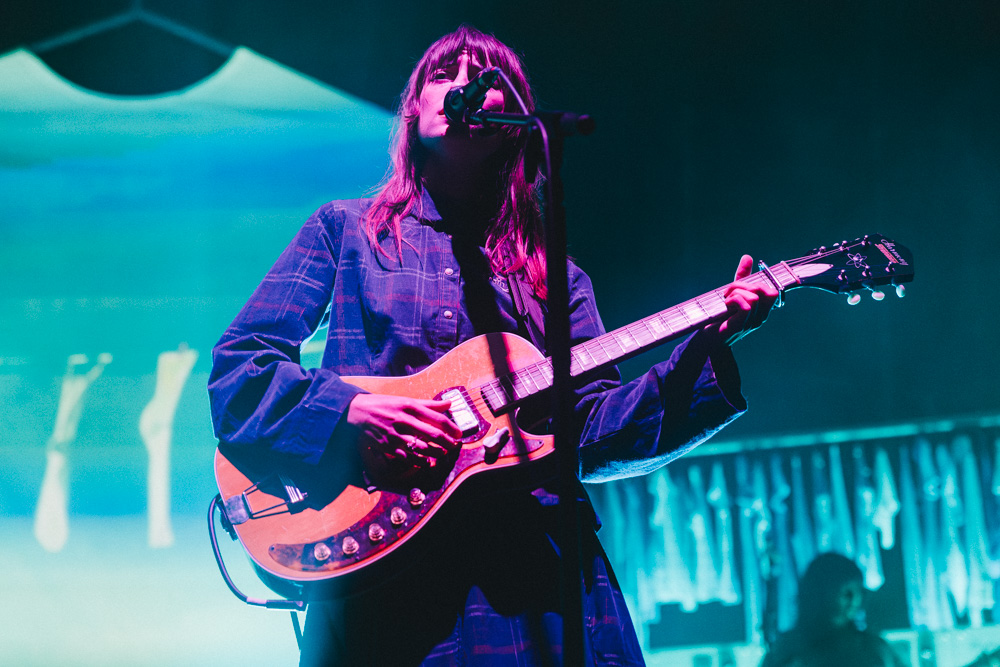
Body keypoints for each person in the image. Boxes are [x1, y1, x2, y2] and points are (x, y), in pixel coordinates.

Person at [208, 25, 778, 666]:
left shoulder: (554, 277)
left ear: (513, 120)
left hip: (532, 577)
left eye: (487, 78)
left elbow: (594, 434)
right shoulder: (345, 231)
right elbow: (239, 369)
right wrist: (352, 410)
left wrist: (713, 344)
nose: (463, 87)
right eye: (444, 75)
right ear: (414, 109)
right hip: (380, 571)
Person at [761, 553, 906, 667]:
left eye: (858, 592)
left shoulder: (874, 648)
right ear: (820, 593)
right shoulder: (788, 649)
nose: (853, 600)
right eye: (846, 592)